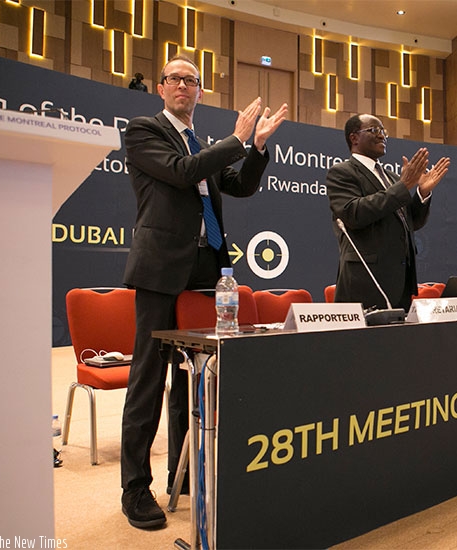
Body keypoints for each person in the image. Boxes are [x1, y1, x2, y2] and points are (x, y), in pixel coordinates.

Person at [121, 54, 287, 529]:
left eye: (192, 81)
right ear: (160, 87)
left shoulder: (204, 144)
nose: (183, 86)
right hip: (159, 268)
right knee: (149, 379)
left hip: (206, 268)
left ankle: (186, 470)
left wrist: (254, 148)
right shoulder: (143, 130)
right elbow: (180, 170)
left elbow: (238, 186)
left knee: (194, 373)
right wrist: (235, 139)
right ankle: (135, 488)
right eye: (175, 79)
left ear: (199, 90)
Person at [326, 114, 450, 310]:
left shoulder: (391, 178)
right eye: (374, 130)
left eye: (384, 132)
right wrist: (403, 186)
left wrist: (422, 192)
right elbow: (354, 213)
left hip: (401, 281)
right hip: (365, 282)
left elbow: (411, 222)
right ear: (354, 138)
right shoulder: (342, 172)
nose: (382, 136)